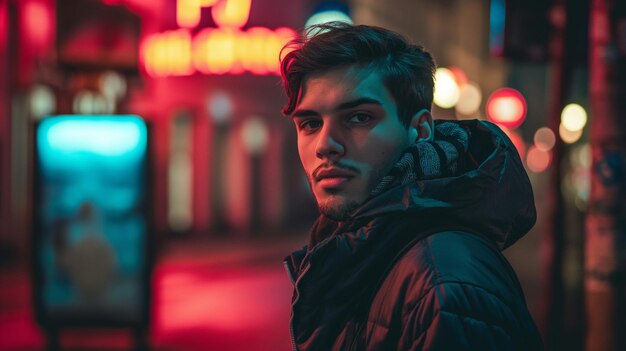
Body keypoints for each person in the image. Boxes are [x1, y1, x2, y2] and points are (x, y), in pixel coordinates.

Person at [280, 22, 543, 351]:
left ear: (420, 131)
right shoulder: (363, 248)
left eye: (358, 117)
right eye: (310, 123)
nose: (325, 145)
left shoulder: (443, 284)